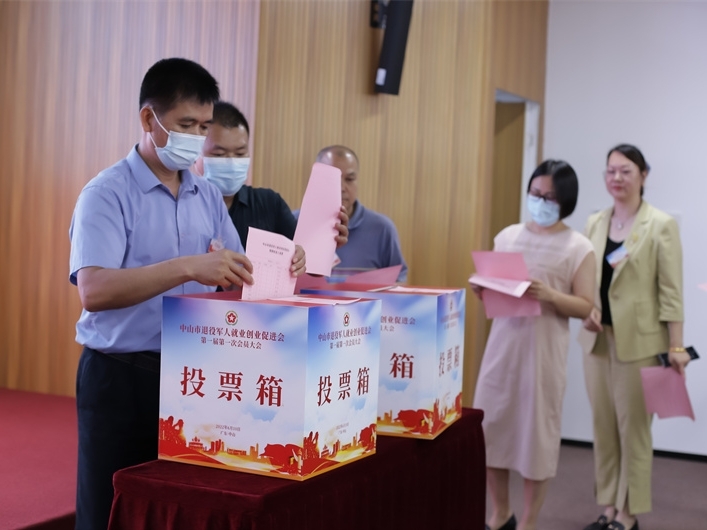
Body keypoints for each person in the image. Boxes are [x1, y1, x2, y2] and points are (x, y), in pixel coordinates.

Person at [68, 58, 305, 530]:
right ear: (148, 119)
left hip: (193, 378)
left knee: (176, 510)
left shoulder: (206, 195)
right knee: (108, 510)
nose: (195, 137)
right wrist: (187, 267)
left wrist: (287, 260)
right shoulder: (106, 193)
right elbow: (94, 290)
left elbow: (238, 275)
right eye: (185, 125)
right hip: (121, 376)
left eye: (202, 126)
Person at [473, 160, 596, 530]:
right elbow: (497, 290)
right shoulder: (507, 237)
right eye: (535, 194)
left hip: (543, 355)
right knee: (492, 430)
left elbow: (586, 306)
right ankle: (500, 513)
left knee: (536, 440)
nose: (541, 202)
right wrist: (483, 289)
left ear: (566, 201)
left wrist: (551, 295)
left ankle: (529, 521)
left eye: (550, 197)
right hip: (502, 350)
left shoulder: (578, 247)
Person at [579, 144, 689, 530]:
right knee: (604, 427)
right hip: (597, 341)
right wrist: (585, 309)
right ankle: (608, 506)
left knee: (634, 432)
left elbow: (671, 291)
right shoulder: (595, 221)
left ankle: (628, 514)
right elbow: (585, 279)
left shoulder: (660, 224)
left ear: (644, 175)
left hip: (641, 344)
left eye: (625, 171)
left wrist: (676, 346)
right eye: (610, 171)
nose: (617, 178)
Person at [194, 101, 349, 248]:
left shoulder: (269, 204)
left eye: (240, 154)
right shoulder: (183, 206)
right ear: (196, 154)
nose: (232, 162)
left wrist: (327, 244)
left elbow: (305, 256)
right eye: (219, 154)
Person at [311, 145, 407, 282]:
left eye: (349, 179)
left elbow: (398, 280)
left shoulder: (382, 229)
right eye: (332, 179)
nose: (341, 188)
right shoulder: (293, 224)